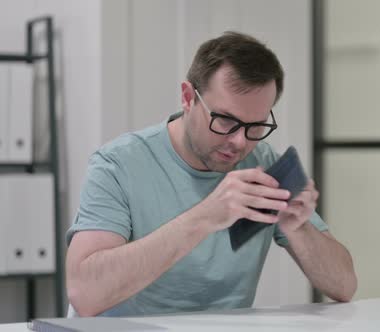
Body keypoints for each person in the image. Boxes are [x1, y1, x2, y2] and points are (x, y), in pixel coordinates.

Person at [65, 31, 357, 317]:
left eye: (256, 126)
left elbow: (345, 286)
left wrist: (298, 228)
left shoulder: (264, 163)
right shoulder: (118, 164)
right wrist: (206, 216)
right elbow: (84, 295)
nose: (240, 142)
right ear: (188, 97)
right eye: (226, 120)